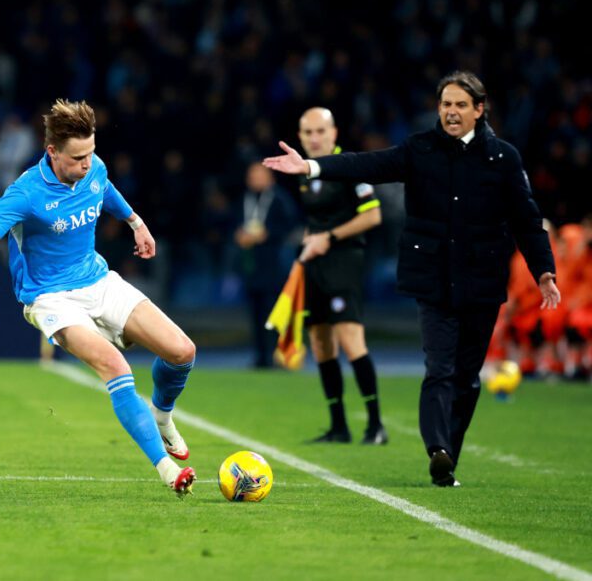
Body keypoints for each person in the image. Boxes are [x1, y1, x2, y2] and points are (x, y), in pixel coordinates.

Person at [264, 72, 560, 486]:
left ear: (479, 109)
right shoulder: (420, 149)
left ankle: (449, 454)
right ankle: (437, 450)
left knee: (467, 378)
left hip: (481, 279)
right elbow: (368, 163)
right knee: (439, 367)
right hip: (433, 279)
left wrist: (544, 270)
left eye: (460, 105)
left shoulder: (503, 158)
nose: (451, 112)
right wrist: (312, 165)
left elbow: (527, 221)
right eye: (445, 104)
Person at [0, 99, 197, 497]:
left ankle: (162, 414)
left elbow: (106, 189)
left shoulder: (94, 167)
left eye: (90, 153)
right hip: (50, 299)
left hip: (98, 281)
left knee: (182, 351)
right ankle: (167, 469)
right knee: (115, 366)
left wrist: (135, 223)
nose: (86, 164)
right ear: (51, 152)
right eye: (77, 158)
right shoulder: (25, 194)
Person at [294, 108, 387, 445]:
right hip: (315, 263)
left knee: (350, 338)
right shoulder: (303, 172)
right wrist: (309, 241)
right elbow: (316, 219)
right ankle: (338, 426)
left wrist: (328, 238)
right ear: (301, 136)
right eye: (308, 132)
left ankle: (375, 425)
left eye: (321, 131)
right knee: (320, 343)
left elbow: (373, 216)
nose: (315, 138)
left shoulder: (349, 168)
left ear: (334, 133)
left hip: (344, 261)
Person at [234, 163, 299, 368]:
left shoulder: (279, 198)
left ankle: (277, 355)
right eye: (251, 175)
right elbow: (233, 222)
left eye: (259, 175)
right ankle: (261, 356)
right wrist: (239, 235)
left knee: (273, 311)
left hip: (274, 264)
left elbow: (291, 225)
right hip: (251, 265)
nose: (254, 179)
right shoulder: (244, 198)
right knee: (255, 312)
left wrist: (267, 234)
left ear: (270, 177)